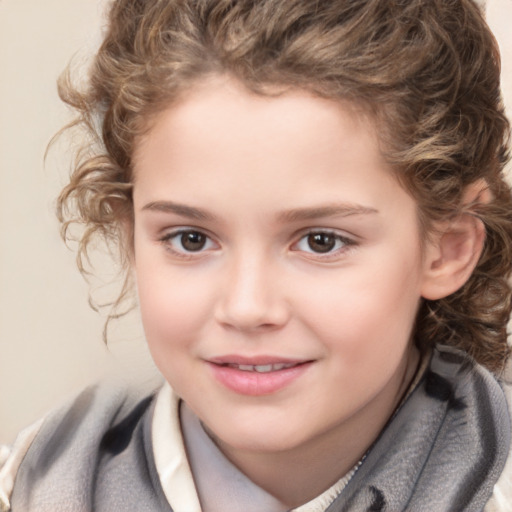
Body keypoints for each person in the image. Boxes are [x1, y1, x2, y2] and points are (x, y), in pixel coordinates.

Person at [1, 0, 512, 510]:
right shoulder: (37, 483)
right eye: (191, 239)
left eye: (321, 241)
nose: (246, 308)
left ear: (447, 247)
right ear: (130, 233)